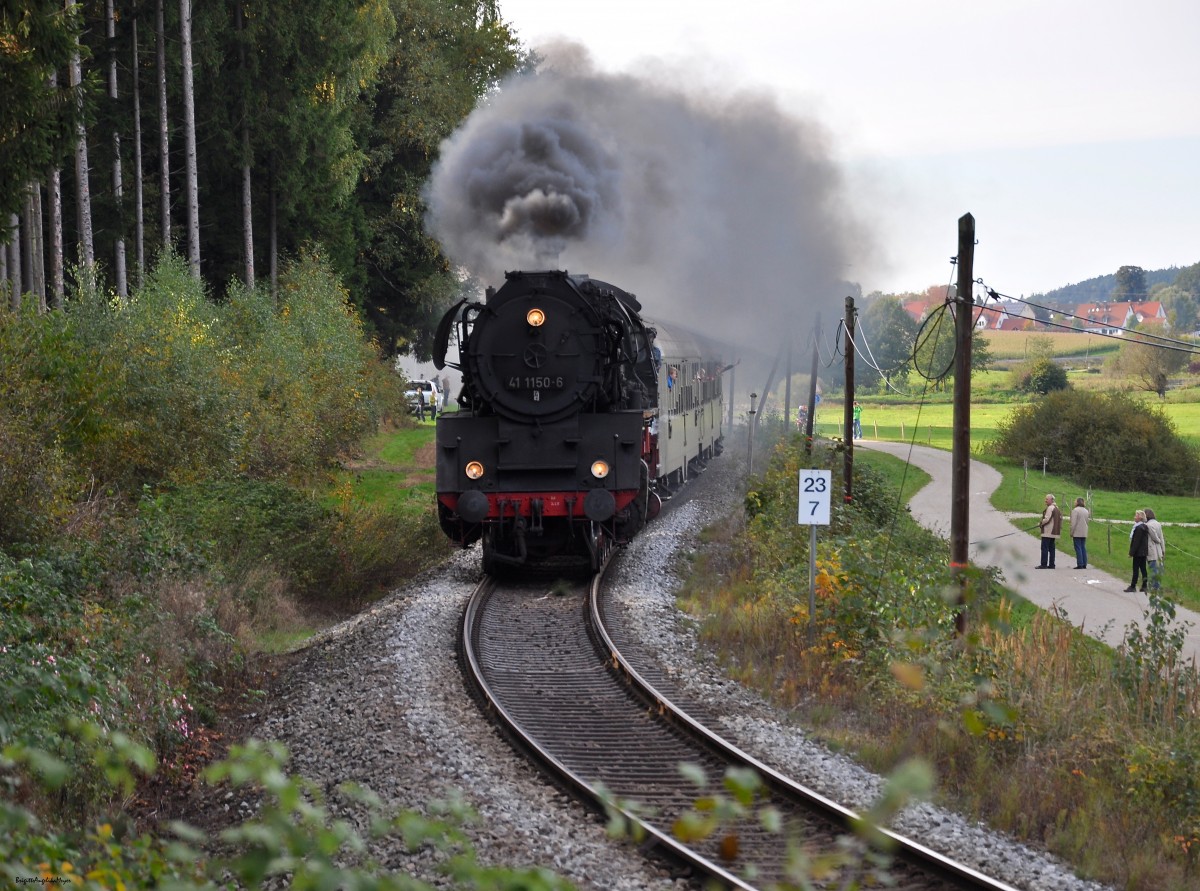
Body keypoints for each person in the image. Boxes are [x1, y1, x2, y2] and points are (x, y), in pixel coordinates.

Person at [1125, 510, 1149, 593]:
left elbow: (1136, 542)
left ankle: (1133, 586)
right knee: (1143, 569)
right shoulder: (1144, 527)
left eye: (1136, 515)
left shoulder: (1138, 528)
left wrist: (1131, 553)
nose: (1134, 517)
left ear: (1140, 517)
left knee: (1136, 569)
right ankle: (1145, 585)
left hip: (1138, 552)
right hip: (1143, 551)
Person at [1036, 494, 1062, 569]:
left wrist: (1040, 523)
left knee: (1044, 548)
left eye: (1047, 499)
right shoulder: (1057, 508)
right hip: (1054, 532)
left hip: (1048, 531)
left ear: (1051, 500)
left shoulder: (1050, 508)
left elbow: (1047, 519)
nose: (1045, 501)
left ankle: (1043, 564)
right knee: (1051, 549)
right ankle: (1051, 564)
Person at [1145, 508, 1165, 593]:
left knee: (1153, 568)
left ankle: (1155, 587)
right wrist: (1163, 549)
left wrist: (1158, 541)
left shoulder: (1148, 525)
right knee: (1157, 568)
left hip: (1152, 549)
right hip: (1158, 549)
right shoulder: (1158, 524)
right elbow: (1162, 537)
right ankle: (1157, 585)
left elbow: (1156, 537)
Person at [1069, 497, 1090, 569]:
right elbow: (1087, 521)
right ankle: (1084, 563)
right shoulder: (1086, 511)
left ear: (1077, 502)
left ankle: (1080, 563)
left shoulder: (1075, 510)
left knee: (1078, 547)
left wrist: (1071, 532)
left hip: (1077, 531)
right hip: (1084, 531)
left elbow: (1073, 523)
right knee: (1083, 547)